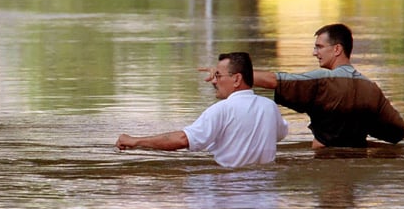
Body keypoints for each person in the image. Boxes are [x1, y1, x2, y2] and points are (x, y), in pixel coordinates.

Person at [236, 23, 404, 148]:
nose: (315, 53)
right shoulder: (371, 89)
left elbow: (274, 81)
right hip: (356, 166)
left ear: (337, 49)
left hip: (323, 161)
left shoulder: (323, 80)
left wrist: (233, 75)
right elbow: (397, 132)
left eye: (319, 47)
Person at [116, 52, 288, 167]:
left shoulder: (222, 109)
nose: (213, 81)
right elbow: (280, 134)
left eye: (218, 75)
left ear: (236, 79)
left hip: (229, 188)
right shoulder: (269, 107)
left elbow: (183, 139)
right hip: (265, 191)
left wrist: (135, 141)